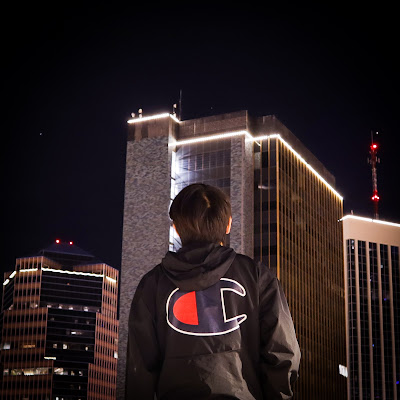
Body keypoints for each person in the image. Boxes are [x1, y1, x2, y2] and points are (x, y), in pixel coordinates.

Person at [125, 183, 301, 399]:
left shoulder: (151, 284)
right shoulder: (257, 277)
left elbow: (139, 368)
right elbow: (283, 354)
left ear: (176, 228)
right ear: (228, 225)